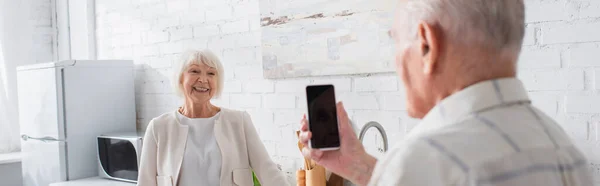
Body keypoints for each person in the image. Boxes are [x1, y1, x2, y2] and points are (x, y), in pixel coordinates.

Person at [298, 0, 594, 185]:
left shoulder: (422, 162)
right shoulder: (564, 151)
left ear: (427, 44)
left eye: (397, 41)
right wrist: (358, 165)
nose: (396, 60)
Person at [137, 49, 289, 186]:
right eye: (195, 71)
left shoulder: (239, 121)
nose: (203, 79)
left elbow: (267, 170)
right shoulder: (158, 127)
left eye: (211, 73)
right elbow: (146, 182)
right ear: (180, 78)